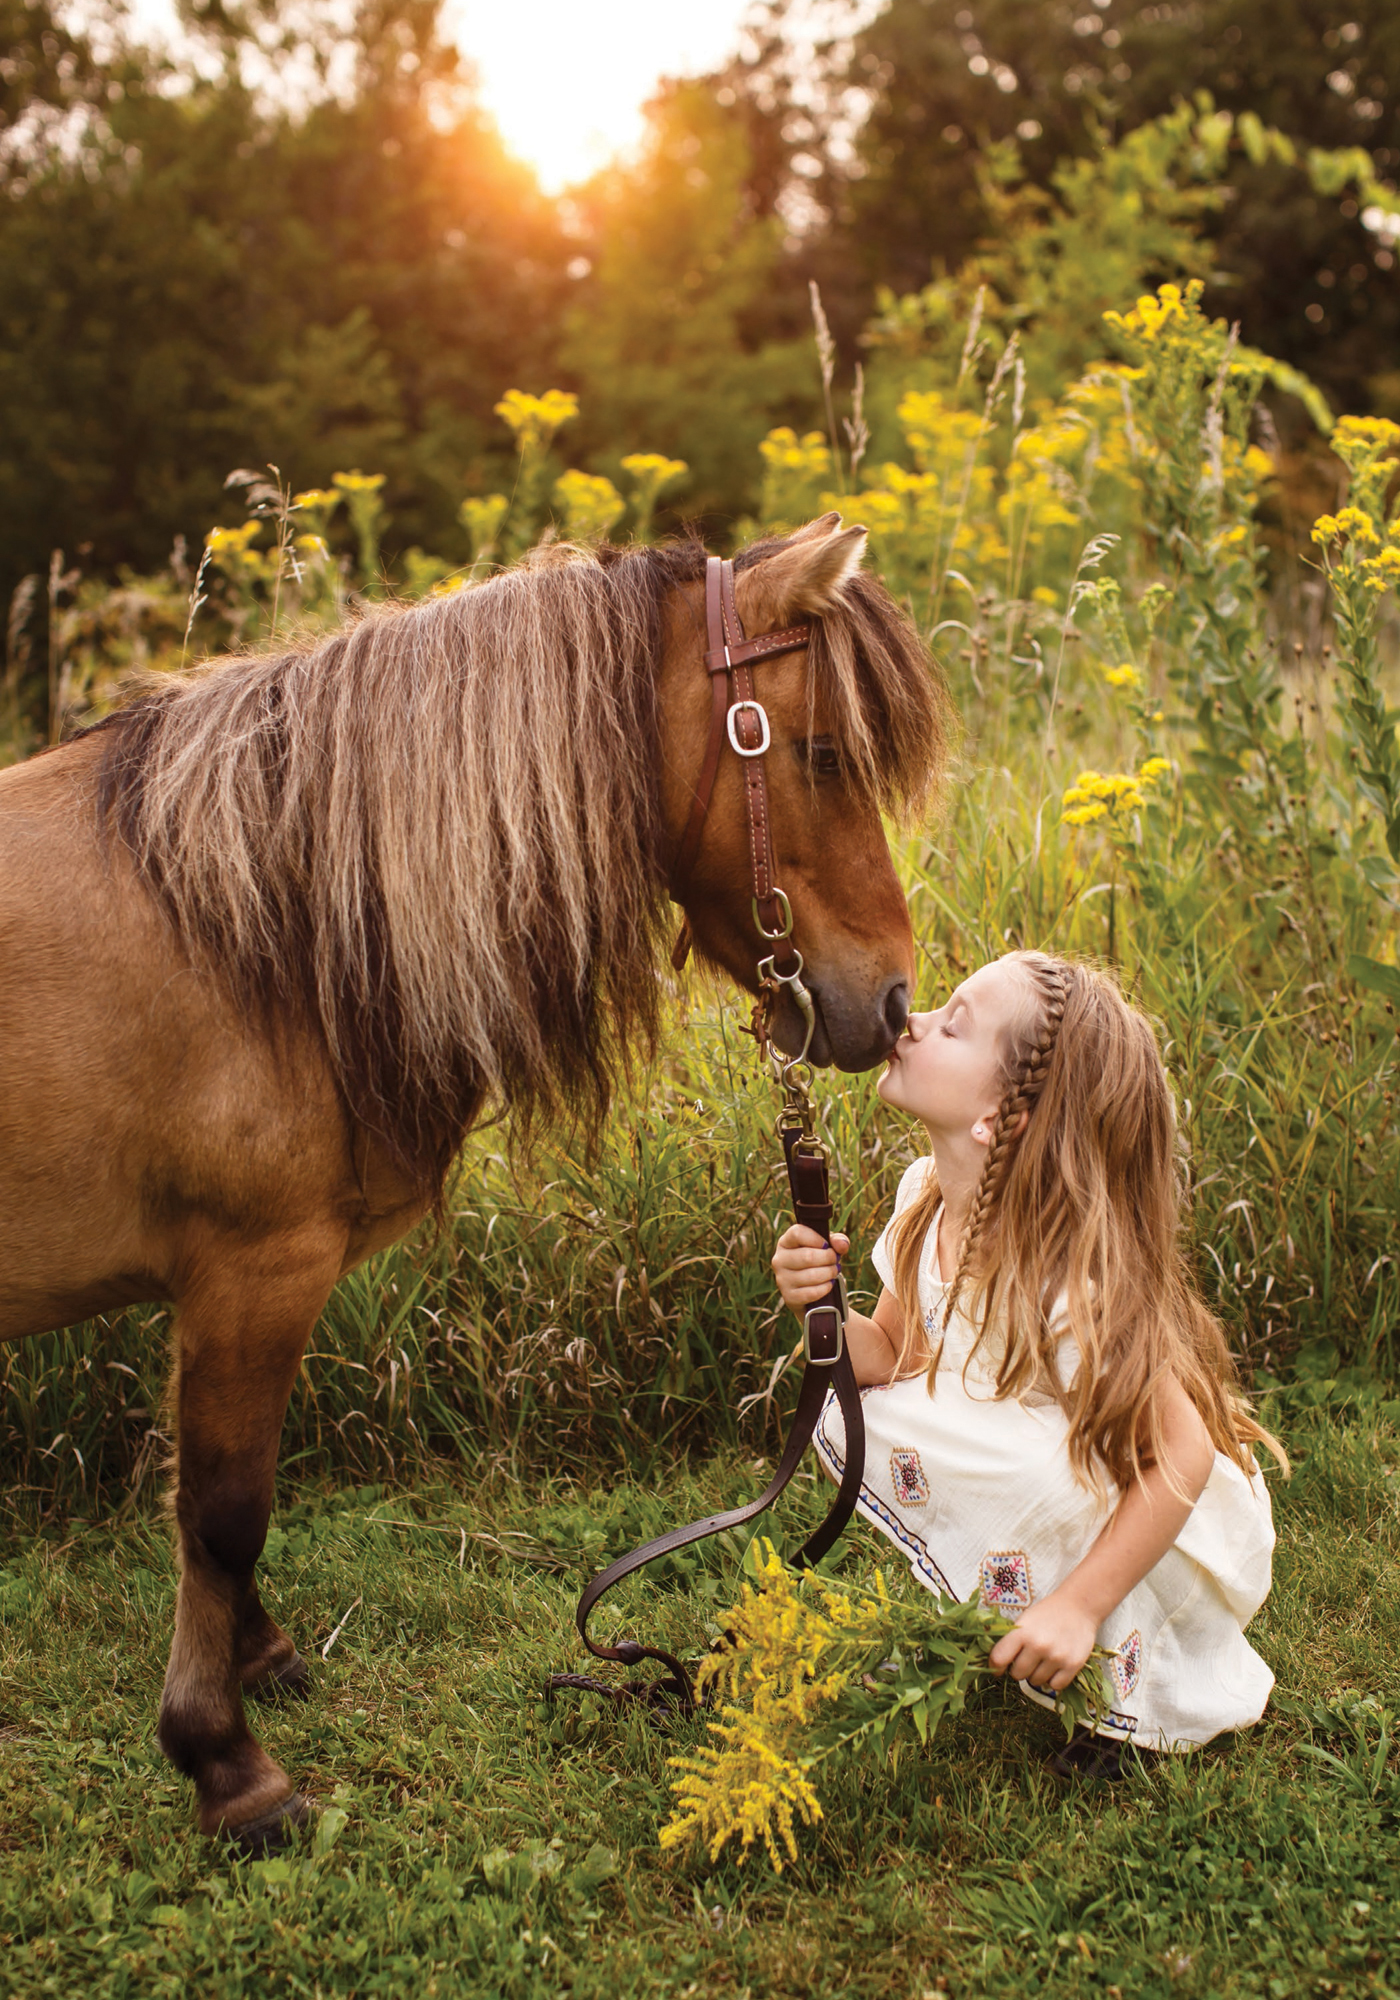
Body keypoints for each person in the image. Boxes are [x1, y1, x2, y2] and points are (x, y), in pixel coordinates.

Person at [771, 949, 1286, 1776]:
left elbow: (1178, 1450)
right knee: (865, 1410)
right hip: (1063, 1459)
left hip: (1162, 1516)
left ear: (1000, 1118)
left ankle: (1132, 1706)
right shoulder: (922, 1206)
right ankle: (1007, 1615)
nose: (915, 1020)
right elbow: (901, 1359)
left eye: (954, 1023)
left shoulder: (1071, 1274)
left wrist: (1081, 1604)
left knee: (1040, 1470)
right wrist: (823, 1305)